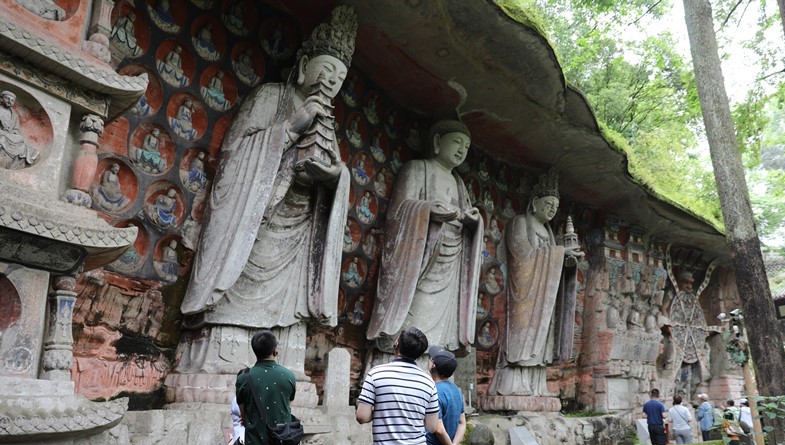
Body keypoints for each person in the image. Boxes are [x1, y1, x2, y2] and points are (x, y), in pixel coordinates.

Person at [179, 7, 356, 377]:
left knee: (287, 307)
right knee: (237, 271)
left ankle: (285, 361)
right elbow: (235, 154)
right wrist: (292, 126)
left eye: (339, 77)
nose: (330, 81)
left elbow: (333, 168)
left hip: (297, 229)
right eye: (325, 69)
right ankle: (220, 356)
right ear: (304, 64)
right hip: (255, 217)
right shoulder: (270, 96)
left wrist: (335, 176)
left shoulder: (329, 121)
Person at [367, 120, 483, 355]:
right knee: (414, 313)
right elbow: (398, 211)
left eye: (467, 146)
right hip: (419, 260)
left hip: (450, 262)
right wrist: (428, 209)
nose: (462, 150)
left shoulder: (460, 184)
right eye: (457, 142)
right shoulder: (417, 169)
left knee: (439, 328)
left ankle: (432, 368)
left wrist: (473, 221)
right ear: (438, 142)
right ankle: (399, 362)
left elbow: (465, 215)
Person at [488, 168, 583, 396]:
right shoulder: (519, 223)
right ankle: (512, 385)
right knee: (522, 336)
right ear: (535, 202)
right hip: (524, 292)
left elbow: (552, 263)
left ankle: (536, 386)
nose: (552, 210)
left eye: (555, 207)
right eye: (548, 204)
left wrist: (566, 260)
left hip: (544, 296)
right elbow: (521, 256)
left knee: (543, 340)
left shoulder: (549, 233)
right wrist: (558, 253)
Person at [0, 90, 39, 169]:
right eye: (7, 99)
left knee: (19, 138)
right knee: (3, 138)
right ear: (1, 99)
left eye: (12, 100)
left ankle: (26, 156)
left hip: (8, 134)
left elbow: (16, 129)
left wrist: (13, 132)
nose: (9, 101)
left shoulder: (14, 115)